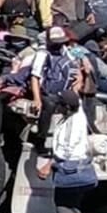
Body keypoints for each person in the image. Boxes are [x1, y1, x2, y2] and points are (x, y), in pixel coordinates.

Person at [37, 89, 97, 213]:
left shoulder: (74, 122)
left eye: (60, 104)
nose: (57, 106)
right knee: (63, 204)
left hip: (71, 167)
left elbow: (67, 149)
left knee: (71, 207)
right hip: (67, 165)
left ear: (67, 107)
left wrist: (49, 164)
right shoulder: (72, 115)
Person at [29, 27, 82, 155]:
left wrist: (78, 80)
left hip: (63, 90)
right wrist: (37, 99)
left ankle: (71, 139)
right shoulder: (43, 54)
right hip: (47, 91)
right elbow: (35, 77)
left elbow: (76, 70)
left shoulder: (67, 52)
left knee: (76, 105)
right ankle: (40, 140)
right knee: (49, 105)